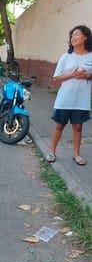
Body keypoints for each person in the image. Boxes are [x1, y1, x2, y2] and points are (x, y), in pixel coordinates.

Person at [47, 25, 92, 165]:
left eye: (76, 34)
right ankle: (51, 152)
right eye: (71, 35)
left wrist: (87, 75)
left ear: (86, 37)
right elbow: (55, 78)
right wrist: (72, 75)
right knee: (59, 126)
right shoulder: (66, 57)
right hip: (65, 99)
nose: (73, 37)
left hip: (81, 100)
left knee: (78, 127)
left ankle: (76, 154)